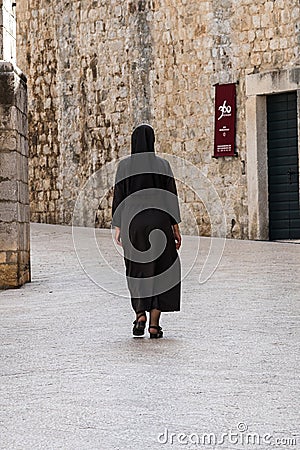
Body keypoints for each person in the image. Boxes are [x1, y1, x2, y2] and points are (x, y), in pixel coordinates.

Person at [112, 124, 182, 338]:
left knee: (137, 270)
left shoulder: (124, 166)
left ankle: (139, 313)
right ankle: (154, 325)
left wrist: (118, 227)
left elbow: (119, 196)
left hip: (133, 222)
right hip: (159, 221)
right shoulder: (162, 165)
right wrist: (175, 226)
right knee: (163, 271)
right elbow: (170, 195)